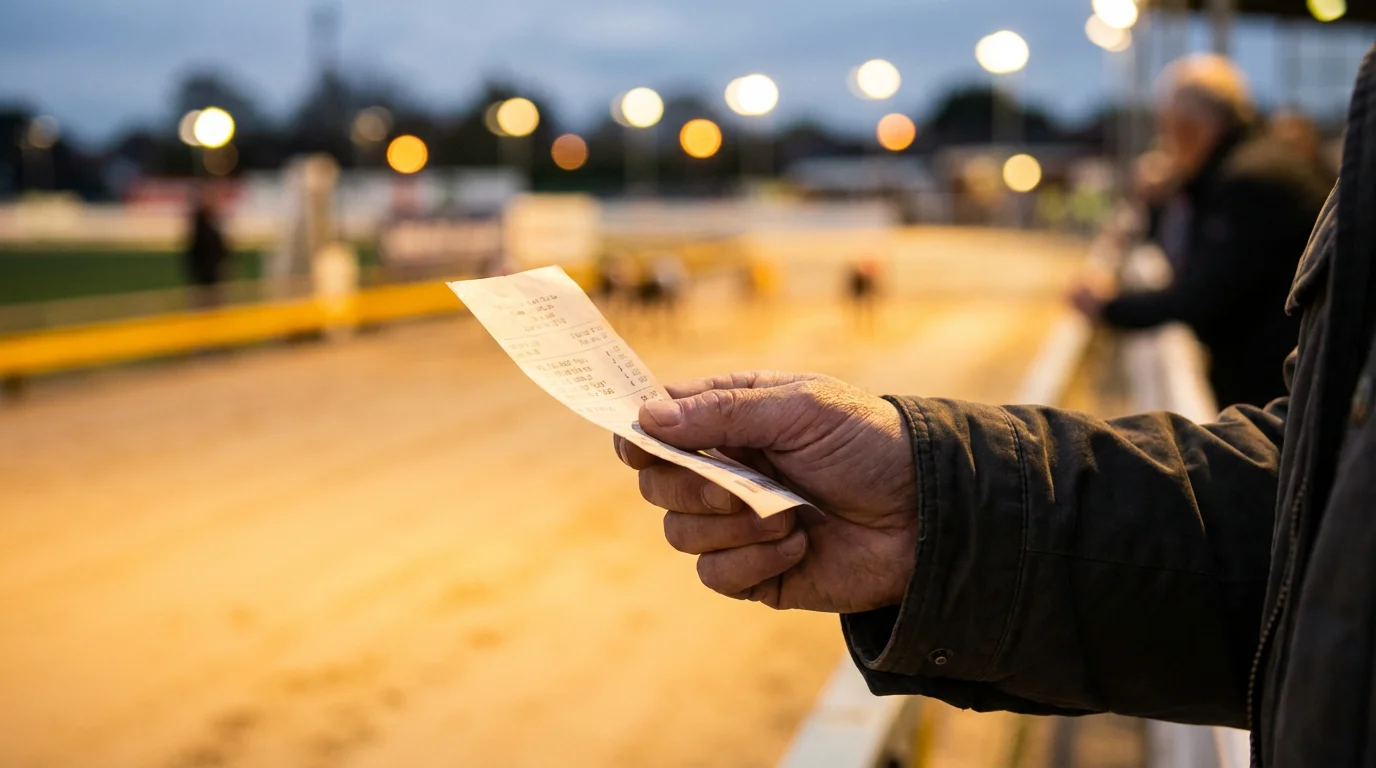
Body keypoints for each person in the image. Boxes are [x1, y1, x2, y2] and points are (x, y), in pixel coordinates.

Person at [615, 48, 1376, 767]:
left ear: (1187, 127)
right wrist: (933, 508)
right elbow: (1314, 513)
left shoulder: (1254, 180)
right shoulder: (1281, 165)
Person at [1069, 55, 1332, 408]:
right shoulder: (1266, 160)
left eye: (1167, 129)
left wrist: (1108, 305)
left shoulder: (1248, 182)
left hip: (1280, 397)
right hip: (1297, 382)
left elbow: (1203, 296)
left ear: (1189, 128)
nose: (1165, 144)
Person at [183, 189, 231, 308]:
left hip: (208, 276)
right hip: (206, 277)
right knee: (207, 305)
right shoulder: (204, 231)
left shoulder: (206, 230)